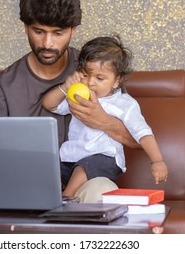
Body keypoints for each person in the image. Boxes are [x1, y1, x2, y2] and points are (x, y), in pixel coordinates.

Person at [0, 0, 140, 201]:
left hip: (87, 182)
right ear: (26, 27)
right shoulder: (3, 87)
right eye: (38, 31)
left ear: (73, 30)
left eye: (58, 33)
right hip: (26, 184)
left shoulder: (97, 73)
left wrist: (102, 120)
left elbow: (137, 140)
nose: (47, 43)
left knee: (101, 191)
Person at [43, 35, 168, 197]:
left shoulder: (124, 104)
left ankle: (66, 198)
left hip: (104, 159)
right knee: (48, 168)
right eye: (86, 75)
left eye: (100, 78)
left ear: (117, 81)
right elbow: (49, 105)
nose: (90, 83)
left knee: (85, 167)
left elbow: (143, 133)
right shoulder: (80, 95)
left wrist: (157, 161)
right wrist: (65, 87)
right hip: (72, 157)